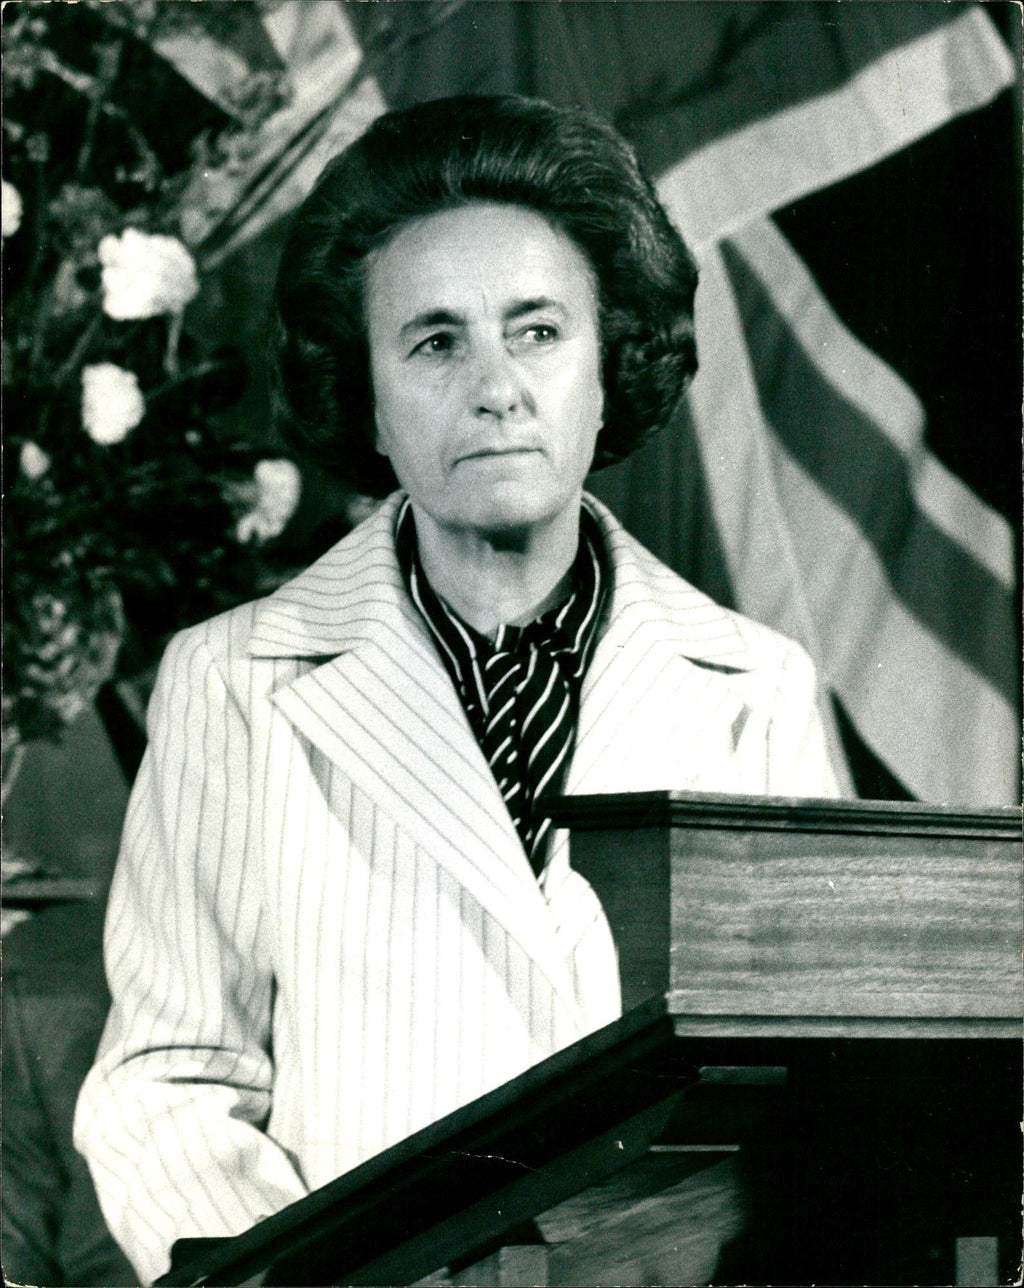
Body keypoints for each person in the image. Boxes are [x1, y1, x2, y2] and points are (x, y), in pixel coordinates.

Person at [75, 94, 840, 1284]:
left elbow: (825, 1090)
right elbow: (169, 1082)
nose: (497, 387)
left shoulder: (758, 688)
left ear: (610, 366)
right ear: (367, 400)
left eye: (538, 332)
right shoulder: (229, 683)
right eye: (435, 343)